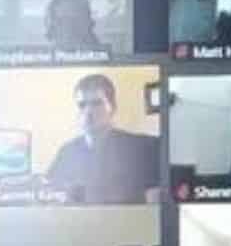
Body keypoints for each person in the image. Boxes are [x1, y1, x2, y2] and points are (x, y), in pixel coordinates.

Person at [45, 74, 160, 203]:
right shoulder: (66, 153)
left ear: (113, 107)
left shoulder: (143, 147)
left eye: (97, 103)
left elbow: (156, 205)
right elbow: (52, 197)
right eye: (82, 105)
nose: (88, 111)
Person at [44, 0, 111, 54]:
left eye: (75, 20)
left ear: (89, 23)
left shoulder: (103, 58)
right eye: (61, 20)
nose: (68, 27)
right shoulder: (42, 59)